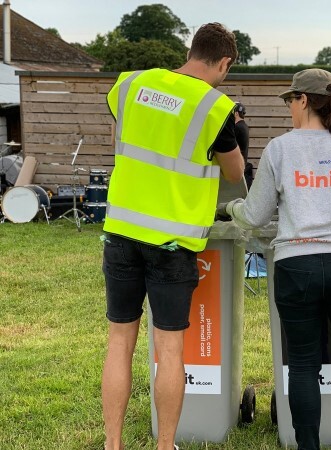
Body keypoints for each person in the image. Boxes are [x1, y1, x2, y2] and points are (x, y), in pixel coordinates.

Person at [223, 68, 331, 450]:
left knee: (303, 366)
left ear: (304, 100)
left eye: (290, 100)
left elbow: (255, 215)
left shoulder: (280, 148)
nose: (289, 108)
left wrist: (232, 206)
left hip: (296, 267)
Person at [101, 23, 244, 450]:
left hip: (121, 232)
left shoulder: (130, 84)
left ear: (190, 50)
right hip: (171, 243)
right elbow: (236, 174)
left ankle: (113, 445)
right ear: (224, 63)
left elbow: (132, 133)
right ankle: (165, 446)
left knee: (119, 341)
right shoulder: (214, 107)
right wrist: (233, 130)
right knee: (170, 349)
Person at [233, 101, 254, 189]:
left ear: (236, 113)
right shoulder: (244, 126)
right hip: (243, 164)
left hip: (237, 166)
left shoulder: (237, 127)